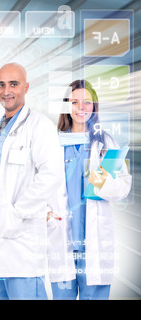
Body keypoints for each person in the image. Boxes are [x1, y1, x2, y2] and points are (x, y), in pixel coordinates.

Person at [0, 62, 64, 300]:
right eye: (1, 84)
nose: (6, 91)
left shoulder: (39, 125)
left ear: (26, 87)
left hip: (20, 241)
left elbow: (51, 175)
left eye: (14, 84)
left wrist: (16, 213)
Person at [49, 79, 132, 300]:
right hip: (62, 239)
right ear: (67, 106)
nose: (81, 108)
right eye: (74, 102)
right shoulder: (53, 143)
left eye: (87, 102)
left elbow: (124, 186)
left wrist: (103, 182)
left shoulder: (105, 142)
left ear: (94, 106)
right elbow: (38, 187)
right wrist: (45, 213)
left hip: (94, 243)